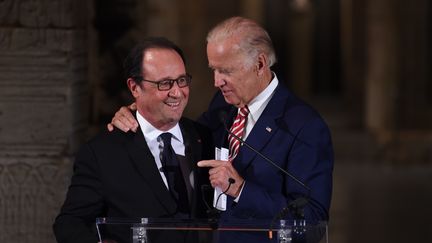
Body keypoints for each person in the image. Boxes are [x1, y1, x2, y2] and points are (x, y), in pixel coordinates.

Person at [109, 16, 334, 243]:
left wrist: (241, 190)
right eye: (213, 70)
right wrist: (139, 114)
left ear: (260, 64)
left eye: (226, 71)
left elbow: (312, 221)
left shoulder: (305, 126)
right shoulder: (223, 103)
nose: (217, 82)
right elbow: (187, 134)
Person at [53, 37, 213, 243]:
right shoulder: (102, 152)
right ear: (134, 87)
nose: (177, 92)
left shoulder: (205, 137)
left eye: (182, 80)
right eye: (165, 83)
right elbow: (70, 225)